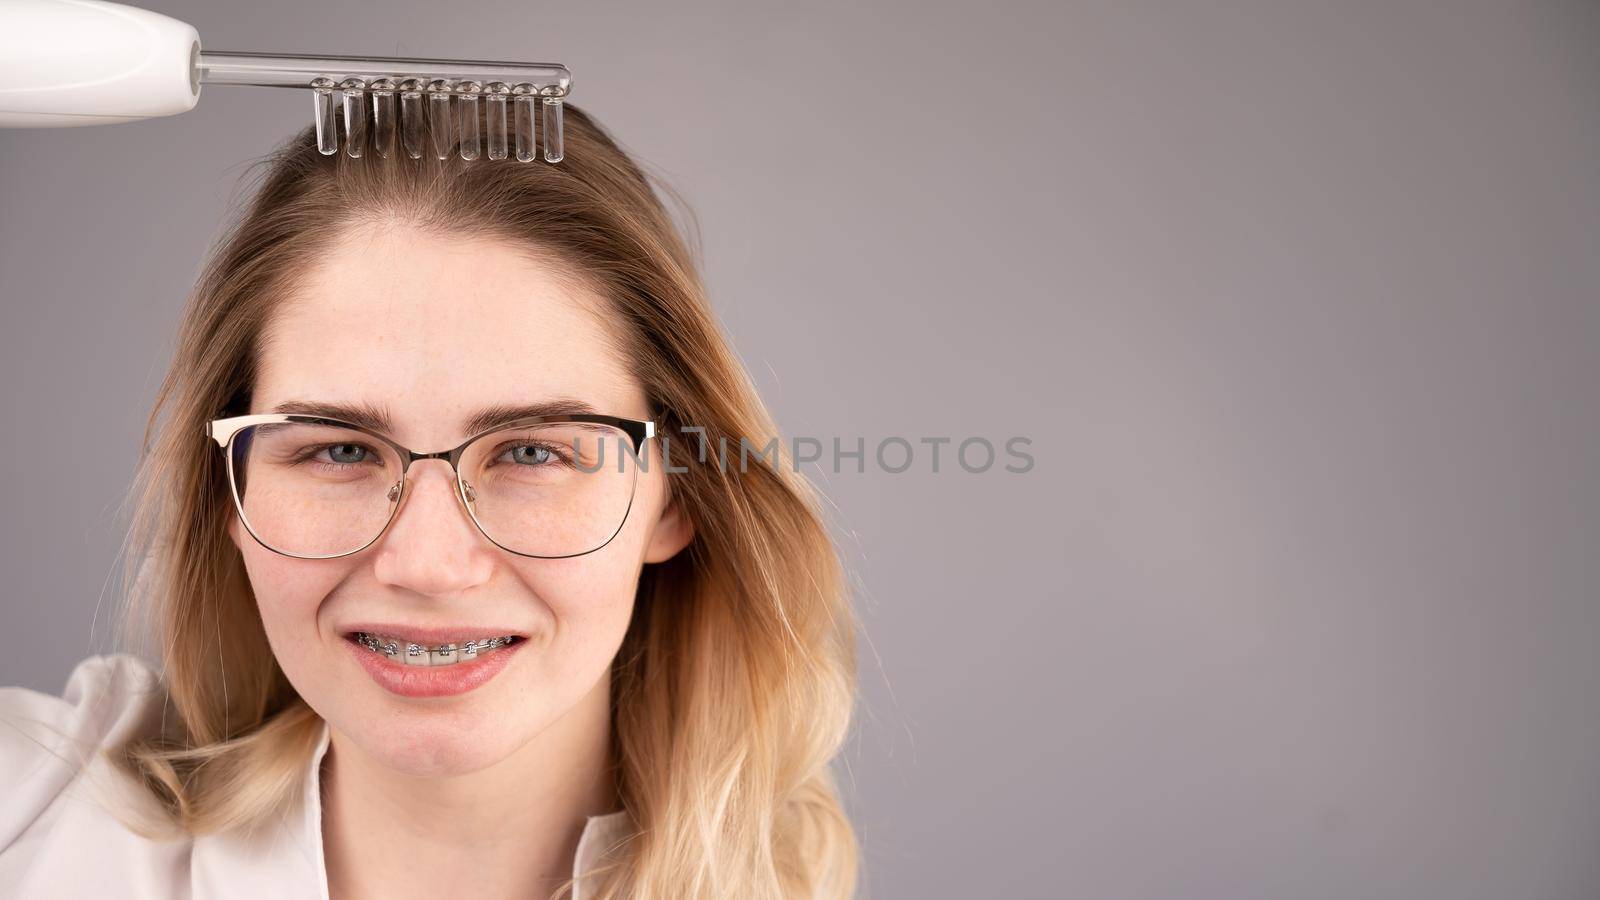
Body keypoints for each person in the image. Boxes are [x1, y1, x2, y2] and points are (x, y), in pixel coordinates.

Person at [0, 102, 860, 900]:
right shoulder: (33, 810)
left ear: (676, 497)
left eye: (532, 452)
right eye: (339, 450)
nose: (427, 565)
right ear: (229, 485)